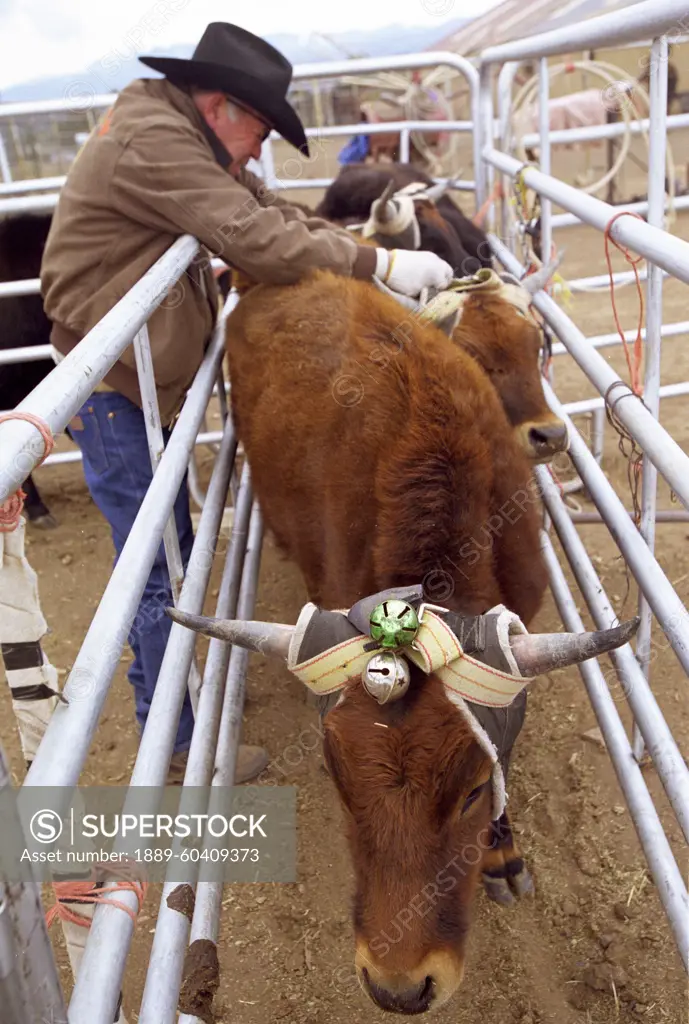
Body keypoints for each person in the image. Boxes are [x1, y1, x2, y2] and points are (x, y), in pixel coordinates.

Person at [40, 22, 453, 784]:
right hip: (113, 385)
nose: (259, 149)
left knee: (174, 549)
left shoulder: (180, 133)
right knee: (155, 567)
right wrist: (381, 262)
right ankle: (173, 742)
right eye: (259, 128)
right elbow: (250, 236)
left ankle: (181, 721)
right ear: (221, 105)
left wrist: (356, 248)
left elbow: (269, 210)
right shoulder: (156, 144)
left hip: (139, 377)